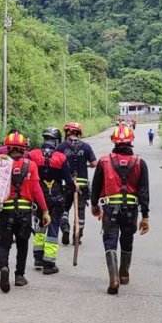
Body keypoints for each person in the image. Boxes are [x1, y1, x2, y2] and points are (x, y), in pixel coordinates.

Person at [90, 123, 151, 294]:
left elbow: (95, 187)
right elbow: (144, 192)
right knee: (127, 240)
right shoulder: (140, 163)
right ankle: (124, 273)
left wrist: (95, 205)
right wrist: (145, 217)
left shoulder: (104, 161)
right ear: (131, 141)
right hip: (131, 211)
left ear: (114, 142)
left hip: (110, 209)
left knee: (110, 241)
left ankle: (113, 278)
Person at [0, 131, 49, 293]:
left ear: (8, 148)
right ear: (23, 148)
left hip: (6, 209)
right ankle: (19, 276)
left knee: (3, 243)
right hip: (25, 211)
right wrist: (45, 210)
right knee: (22, 244)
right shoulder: (30, 165)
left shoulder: (1, 164)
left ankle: (4, 267)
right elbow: (37, 190)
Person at [28, 127, 75, 275]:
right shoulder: (61, 158)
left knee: (39, 226)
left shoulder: (32, 155)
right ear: (56, 141)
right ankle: (49, 263)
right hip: (56, 197)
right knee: (53, 228)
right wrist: (74, 189)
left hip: (38, 196)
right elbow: (68, 181)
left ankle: (38, 258)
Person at [59, 122, 97, 246]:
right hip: (82, 185)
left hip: (66, 183)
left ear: (67, 132)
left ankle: (65, 227)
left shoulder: (61, 147)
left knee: (63, 209)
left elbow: (55, 162)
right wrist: (88, 164)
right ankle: (78, 235)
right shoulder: (85, 147)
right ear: (79, 133)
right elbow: (94, 163)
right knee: (80, 211)